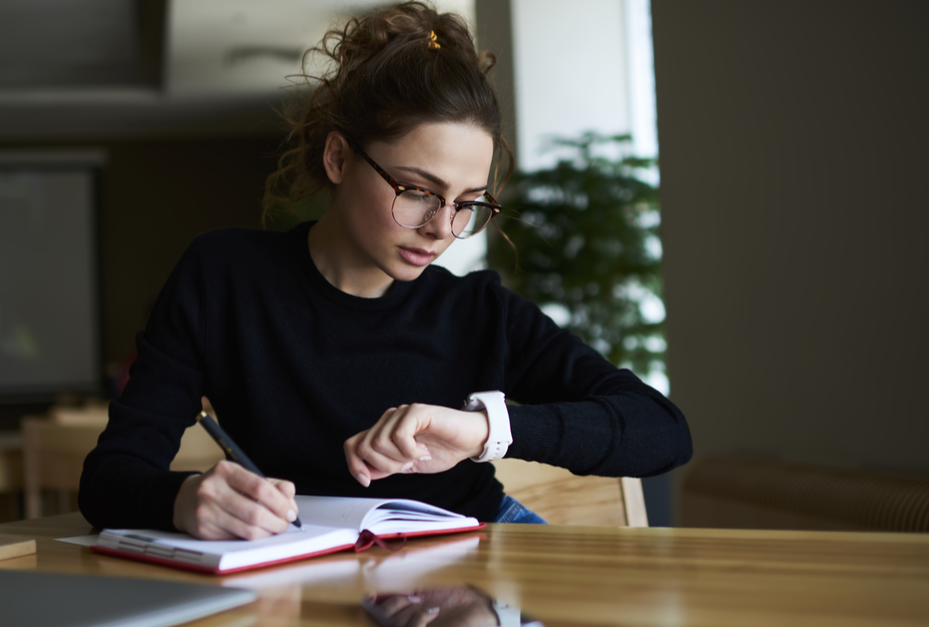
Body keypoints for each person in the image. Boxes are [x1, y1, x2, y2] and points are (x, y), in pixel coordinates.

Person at [79, 1, 690, 540]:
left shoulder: (478, 311)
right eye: (418, 191)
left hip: (476, 550)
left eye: (467, 203)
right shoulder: (223, 278)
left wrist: (483, 431)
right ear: (339, 157)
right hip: (303, 559)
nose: (442, 229)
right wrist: (185, 499)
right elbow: (109, 478)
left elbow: (662, 430)